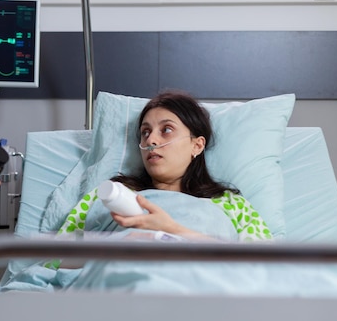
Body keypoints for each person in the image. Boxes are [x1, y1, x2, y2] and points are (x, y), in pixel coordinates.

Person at [58, 91, 272, 242]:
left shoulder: (231, 204)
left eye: (167, 130)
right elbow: (56, 262)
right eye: (145, 132)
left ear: (196, 145)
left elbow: (259, 267)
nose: (151, 140)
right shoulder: (110, 195)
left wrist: (169, 229)